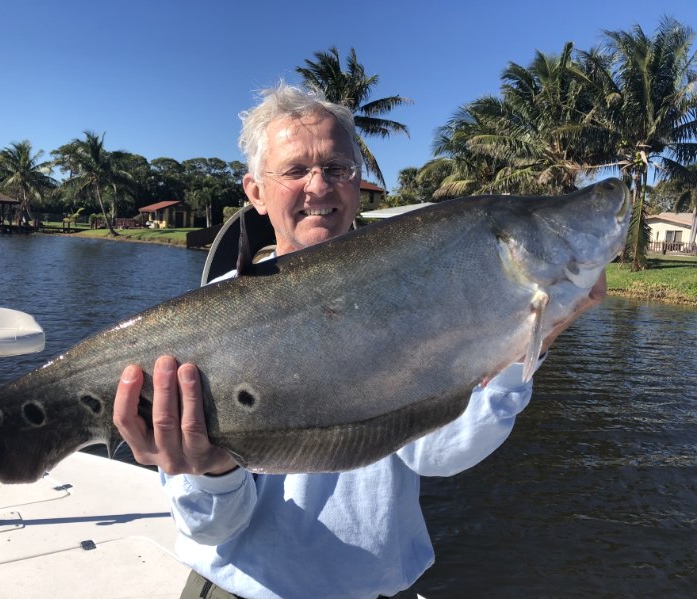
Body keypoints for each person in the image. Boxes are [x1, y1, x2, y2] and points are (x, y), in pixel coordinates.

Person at [113, 83, 606, 599]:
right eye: (295, 170)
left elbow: (439, 455)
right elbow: (213, 529)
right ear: (256, 191)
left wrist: (532, 335)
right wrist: (211, 470)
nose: (319, 186)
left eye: (337, 168)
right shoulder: (199, 324)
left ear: (357, 182)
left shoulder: (422, 296)